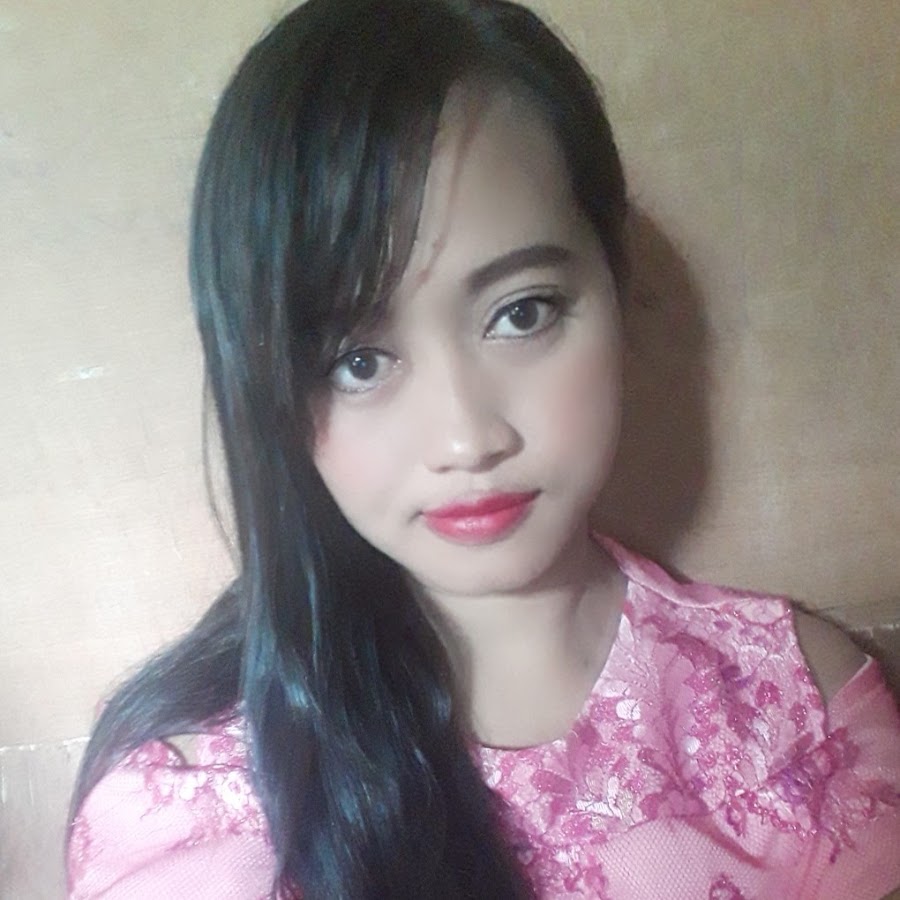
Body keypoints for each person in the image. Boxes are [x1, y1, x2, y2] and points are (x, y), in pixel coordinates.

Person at [65, 1, 900, 898]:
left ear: (618, 287)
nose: (467, 438)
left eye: (521, 313)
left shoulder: (805, 724)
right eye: (358, 362)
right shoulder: (190, 816)